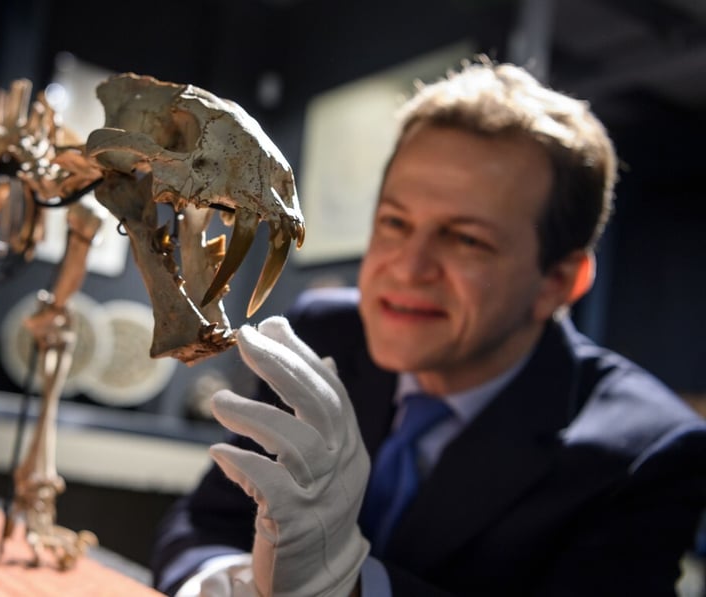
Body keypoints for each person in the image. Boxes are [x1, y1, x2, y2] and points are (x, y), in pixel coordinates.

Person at [150, 58, 706, 596]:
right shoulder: (323, 336)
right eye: (395, 222)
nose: (407, 268)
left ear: (558, 283)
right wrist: (226, 584)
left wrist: (347, 587)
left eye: (466, 239)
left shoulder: (644, 453)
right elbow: (206, 523)